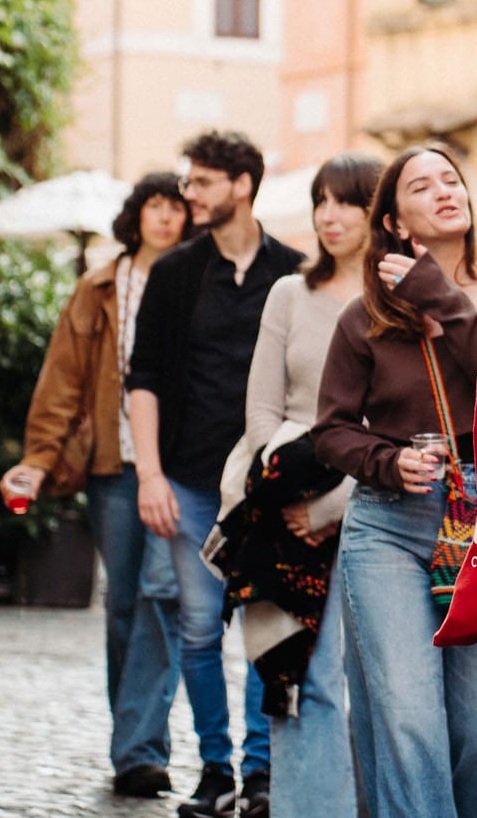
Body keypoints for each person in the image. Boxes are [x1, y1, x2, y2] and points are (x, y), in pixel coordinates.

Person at [312, 145, 477, 818]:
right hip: (389, 524)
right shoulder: (366, 319)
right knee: (410, 723)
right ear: (398, 223)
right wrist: (388, 461)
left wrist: (440, 294)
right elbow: (330, 431)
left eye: (452, 178)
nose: (445, 190)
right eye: (421, 185)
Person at [128, 131, 306, 818]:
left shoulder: (293, 273)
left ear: (241, 184)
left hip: (267, 484)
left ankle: (262, 773)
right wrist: (150, 475)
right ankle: (215, 769)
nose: (188, 194)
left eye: (201, 182)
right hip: (191, 480)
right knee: (201, 630)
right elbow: (142, 378)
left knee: (265, 626)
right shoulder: (174, 273)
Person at [3, 174, 192, 798]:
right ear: (136, 216)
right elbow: (62, 377)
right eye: (155, 206)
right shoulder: (101, 286)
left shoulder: (200, 281)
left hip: (181, 467)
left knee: (161, 600)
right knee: (122, 607)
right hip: (113, 467)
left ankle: (140, 749)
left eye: (176, 208)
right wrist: (40, 456)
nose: (165, 219)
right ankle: (134, 738)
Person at [240, 153, 382, 818]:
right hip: (284, 504)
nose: (329, 215)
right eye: (322, 200)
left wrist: (330, 507)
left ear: (377, 212)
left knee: (378, 687)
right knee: (298, 678)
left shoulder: (398, 301)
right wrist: (286, 494)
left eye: (347, 201)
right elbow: (262, 411)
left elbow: (400, 427)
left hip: (377, 509)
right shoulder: (288, 295)